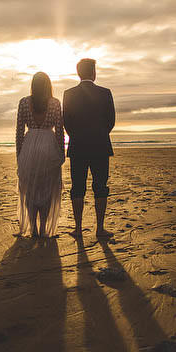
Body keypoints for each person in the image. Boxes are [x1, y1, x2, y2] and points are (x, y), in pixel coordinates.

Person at [63, 58, 115, 239]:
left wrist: (78, 135)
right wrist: (99, 134)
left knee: (77, 187)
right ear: (94, 72)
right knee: (100, 186)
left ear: (79, 73)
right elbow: (111, 121)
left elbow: (66, 122)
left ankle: (78, 229)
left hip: (78, 146)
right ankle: (100, 229)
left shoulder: (68, 94)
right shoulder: (105, 93)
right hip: (100, 145)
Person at [15, 72, 65, 237]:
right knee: (47, 190)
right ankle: (43, 227)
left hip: (29, 147)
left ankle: (34, 229)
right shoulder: (55, 103)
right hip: (48, 146)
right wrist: (61, 153)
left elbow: (19, 131)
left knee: (30, 189)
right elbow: (59, 131)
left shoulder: (23, 102)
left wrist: (19, 155)